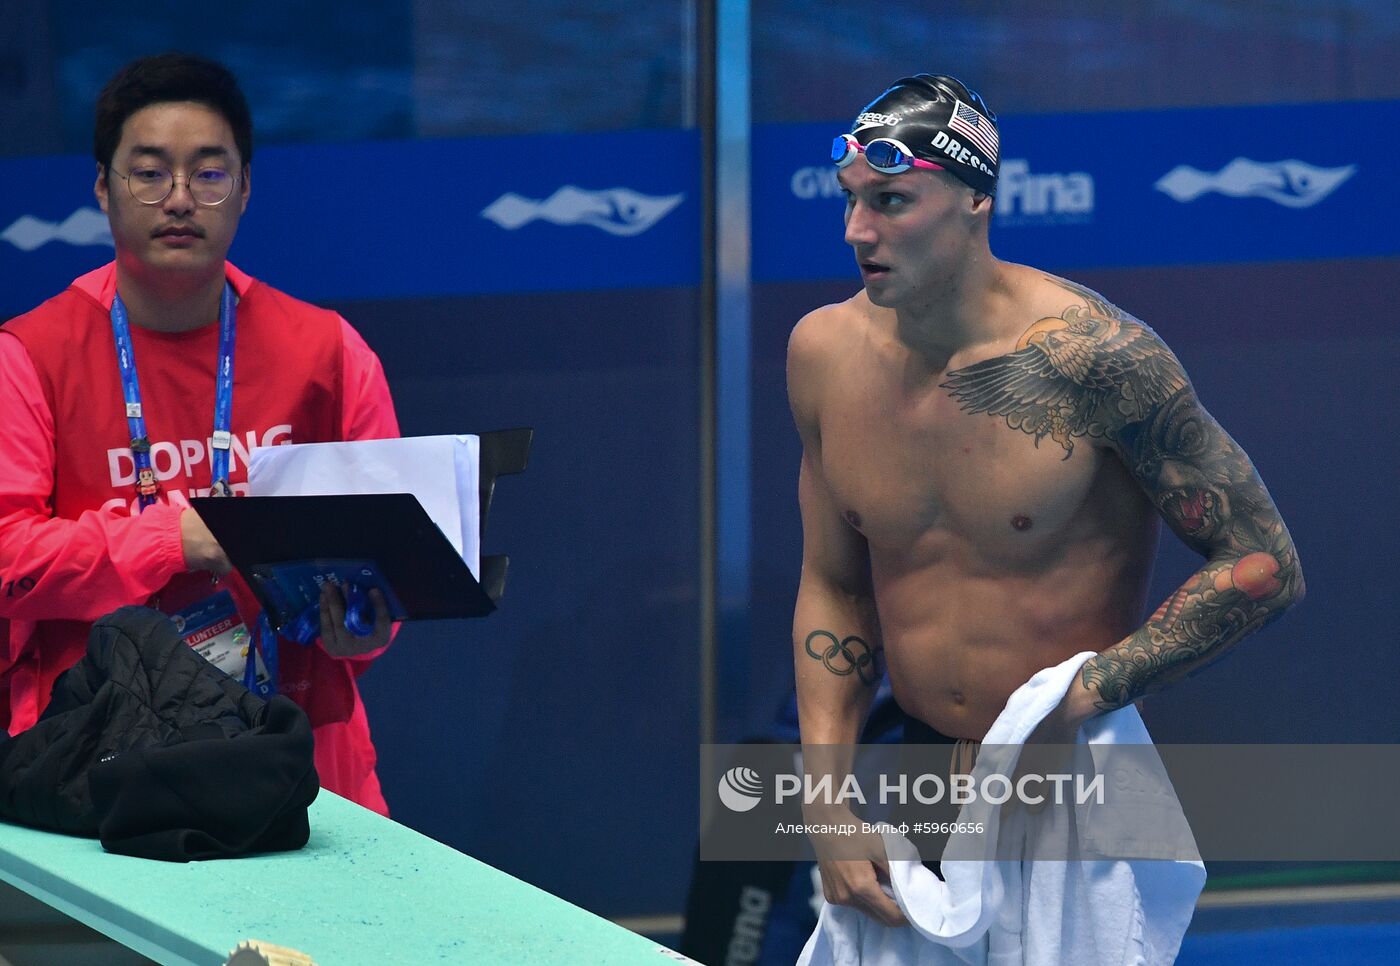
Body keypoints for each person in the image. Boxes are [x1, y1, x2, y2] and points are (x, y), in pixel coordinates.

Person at [787, 74, 1304, 927]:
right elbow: (834, 582)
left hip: (1079, 769)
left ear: (973, 201)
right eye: (849, 201)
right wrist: (824, 798)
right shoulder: (823, 354)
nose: (857, 231)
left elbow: (1262, 565)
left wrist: (1083, 697)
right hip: (920, 769)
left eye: (891, 201)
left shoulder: (1096, 359)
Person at [0, 53, 399, 814]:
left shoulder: (330, 354)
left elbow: (380, 562)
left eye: (208, 174)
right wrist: (172, 539)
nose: (179, 198)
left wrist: (365, 632)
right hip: (95, 769)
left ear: (245, 189)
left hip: (305, 769)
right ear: (102, 190)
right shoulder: (28, 357)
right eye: (149, 173)